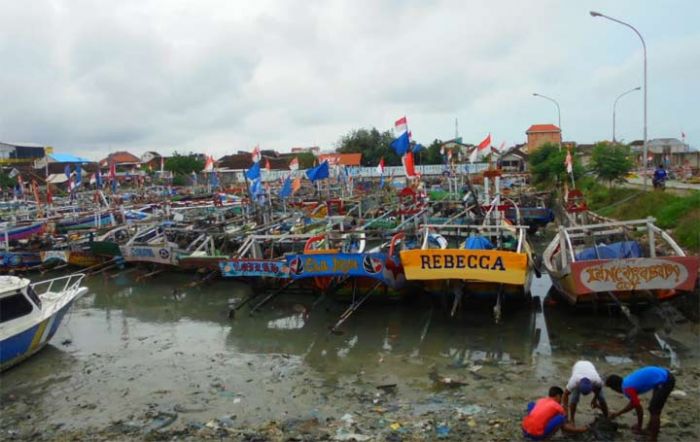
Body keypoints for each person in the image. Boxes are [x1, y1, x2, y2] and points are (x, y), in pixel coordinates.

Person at [605, 366, 675, 442]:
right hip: (661, 375)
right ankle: (649, 430)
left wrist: (639, 426)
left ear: (615, 387)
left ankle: (653, 439)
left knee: (654, 410)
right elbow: (633, 404)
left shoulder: (627, 388)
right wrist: (618, 413)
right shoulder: (626, 381)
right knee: (654, 407)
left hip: (665, 380)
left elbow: (638, 408)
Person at [522, 386, 588, 440]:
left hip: (524, 430)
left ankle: (529, 428)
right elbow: (564, 427)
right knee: (561, 418)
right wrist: (580, 430)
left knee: (531, 405)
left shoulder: (541, 400)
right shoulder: (557, 406)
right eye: (561, 398)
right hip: (536, 436)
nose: (561, 400)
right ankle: (546, 439)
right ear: (558, 396)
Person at [562, 360, 608, 425]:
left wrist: (594, 399)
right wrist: (565, 410)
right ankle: (572, 419)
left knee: (601, 397)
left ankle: (606, 416)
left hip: (589, 365)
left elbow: (598, 389)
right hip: (577, 365)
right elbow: (565, 394)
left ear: (592, 386)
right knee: (574, 398)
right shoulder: (574, 381)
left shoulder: (597, 380)